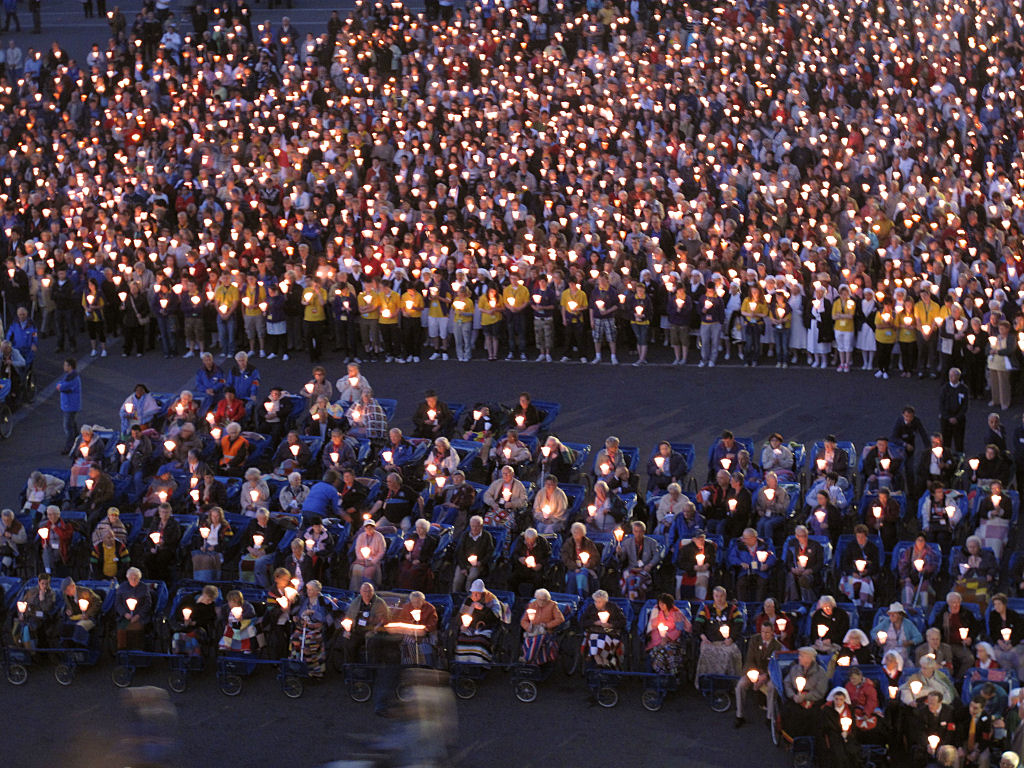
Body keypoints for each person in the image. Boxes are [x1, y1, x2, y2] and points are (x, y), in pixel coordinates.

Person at [734, 621, 782, 729]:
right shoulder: (755, 640)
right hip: (754, 671)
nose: (764, 635)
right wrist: (754, 676)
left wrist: (765, 676)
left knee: (772, 687)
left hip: (768, 674)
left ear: (772, 633)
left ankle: (770, 717)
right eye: (762, 632)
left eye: (767, 633)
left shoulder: (777, 646)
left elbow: (775, 666)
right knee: (740, 685)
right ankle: (739, 715)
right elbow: (749, 660)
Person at [693, 586, 744, 685]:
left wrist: (732, 638)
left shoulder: (733, 609)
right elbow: (698, 624)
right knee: (705, 652)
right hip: (710, 641)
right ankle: (706, 682)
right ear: (713, 596)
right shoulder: (707, 609)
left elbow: (739, 623)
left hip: (727, 642)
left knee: (731, 653)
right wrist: (702, 637)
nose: (719, 599)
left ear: (725, 596)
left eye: (721, 596)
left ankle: (731, 683)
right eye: (717, 596)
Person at [290, 580, 338, 677]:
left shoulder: (323, 601)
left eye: (311, 590)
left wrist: (313, 612)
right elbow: (300, 613)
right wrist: (297, 618)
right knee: (294, 638)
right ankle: (296, 665)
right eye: (308, 589)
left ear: (317, 591)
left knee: (308, 642)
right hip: (305, 626)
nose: (308, 592)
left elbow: (327, 618)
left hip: (318, 628)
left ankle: (314, 670)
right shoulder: (305, 600)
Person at [454, 579, 508, 665]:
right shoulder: (469, 600)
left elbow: (496, 617)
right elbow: (461, 614)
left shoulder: (491, 600)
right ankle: (463, 663)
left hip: (486, 627)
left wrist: (483, 609)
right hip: (470, 627)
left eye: (477, 593)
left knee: (480, 640)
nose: (474, 595)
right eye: (473, 593)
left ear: (482, 593)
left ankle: (479, 663)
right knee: (462, 638)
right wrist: (462, 625)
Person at [781, 646, 829, 740]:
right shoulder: (794, 669)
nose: (799, 658)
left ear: (810, 658)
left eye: (802, 656)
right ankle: (792, 739)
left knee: (814, 715)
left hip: (813, 699)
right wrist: (793, 696)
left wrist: (805, 697)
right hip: (795, 697)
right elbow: (787, 683)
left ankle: (810, 740)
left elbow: (820, 691)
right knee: (790, 711)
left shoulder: (820, 672)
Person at [614, 520, 662, 601]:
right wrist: (619, 553)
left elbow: (657, 556)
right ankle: (629, 601)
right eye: (636, 531)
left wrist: (650, 565)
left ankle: (638, 601)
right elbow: (622, 558)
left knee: (637, 581)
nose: (638, 534)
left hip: (645, 569)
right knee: (628, 578)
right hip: (631, 568)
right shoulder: (627, 542)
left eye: (640, 532)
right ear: (633, 531)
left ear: (644, 532)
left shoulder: (652, 542)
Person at [645, 593, 690, 676]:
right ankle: (666, 677)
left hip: (674, 641)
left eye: (663, 603)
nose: (661, 605)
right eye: (659, 603)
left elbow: (678, 630)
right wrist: (661, 639)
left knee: (664, 652)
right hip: (659, 641)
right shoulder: (658, 613)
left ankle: (669, 677)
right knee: (660, 650)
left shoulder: (676, 613)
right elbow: (654, 628)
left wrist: (667, 638)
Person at [170, 584, 220, 657]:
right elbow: (178, 613)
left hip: (199, 628)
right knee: (177, 636)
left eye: (211, 600)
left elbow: (210, 620)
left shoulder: (210, 606)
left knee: (192, 638)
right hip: (183, 626)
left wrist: (195, 623)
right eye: (209, 599)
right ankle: (178, 658)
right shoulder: (188, 600)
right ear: (204, 595)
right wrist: (184, 620)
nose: (210, 602)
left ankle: (194, 659)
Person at [838, 524, 882, 608]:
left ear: (866, 536)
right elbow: (844, 563)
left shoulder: (872, 547)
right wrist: (852, 572)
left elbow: (876, 565)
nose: (860, 539)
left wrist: (867, 571)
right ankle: (851, 602)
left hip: (867, 576)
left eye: (862, 537)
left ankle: (865, 605)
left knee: (865, 584)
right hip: (853, 574)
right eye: (858, 537)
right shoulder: (851, 546)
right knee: (846, 582)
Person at [728, 527, 776, 602]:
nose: (743, 540)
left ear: (754, 538)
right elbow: (732, 557)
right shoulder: (739, 546)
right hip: (745, 571)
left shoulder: (764, 546)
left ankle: (758, 606)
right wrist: (740, 563)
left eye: (745, 538)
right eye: (743, 538)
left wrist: (767, 564)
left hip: (760, 571)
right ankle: (743, 605)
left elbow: (772, 557)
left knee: (762, 583)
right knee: (741, 583)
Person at [12, 572, 57, 649]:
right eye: (42, 583)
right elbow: (22, 603)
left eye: (46, 584)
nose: (44, 586)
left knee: (30, 628)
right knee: (18, 628)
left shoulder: (51, 594)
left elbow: (47, 609)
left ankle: (31, 649)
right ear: (39, 582)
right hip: (28, 615)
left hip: (41, 618)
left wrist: (42, 599)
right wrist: (21, 613)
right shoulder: (32, 591)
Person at [519, 588, 564, 665]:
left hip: (547, 631)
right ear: (536, 598)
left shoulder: (552, 605)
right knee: (527, 640)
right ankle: (534, 661)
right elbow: (523, 620)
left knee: (538, 639)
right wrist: (527, 627)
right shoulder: (532, 605)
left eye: (544, 600)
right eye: (540, 600)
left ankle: (527, 659)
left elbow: (560, 619)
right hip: (533, 630)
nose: (542, 602)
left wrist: (547, 625)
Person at [820, 687, 861, 768]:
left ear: (844, 699)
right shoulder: (827, 710)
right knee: (838, 755)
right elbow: (826, 725)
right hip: (834, 736)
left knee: (853, 752)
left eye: (841, 699)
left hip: (848, 736)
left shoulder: (849, 709)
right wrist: (839, 731)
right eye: (836, 699)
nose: (838, 702)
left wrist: (848, 733)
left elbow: (853, 725)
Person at [874, 601, 925, 666]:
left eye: (894, 614)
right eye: (890, 614)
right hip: (888, 657)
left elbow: (919, 637)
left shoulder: (908, 624)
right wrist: (878, 640)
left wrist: (909, 642)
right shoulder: (886, 622)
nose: (891, 616)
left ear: (900, 615)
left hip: (903, 658)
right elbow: (873, 632)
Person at [783, 525, 825, 603]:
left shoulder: (815, 545)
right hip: (797, 571)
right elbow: (788, 561)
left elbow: (820, 563)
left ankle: (808, 602)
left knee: (804, 579)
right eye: (801, 536)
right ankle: (794, 601)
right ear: (797, 536)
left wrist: (810, 570)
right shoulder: (792, 545)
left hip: (811, 573)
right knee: (790, 576)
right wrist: (793, 569)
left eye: (805, 535)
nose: (804, 538)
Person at [452, 516, 494, 593]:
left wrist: (481, 562)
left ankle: (470, 596)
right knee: (457, 579)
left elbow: (490, 552)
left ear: (481, 526)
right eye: (472, 526)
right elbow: (460, 552)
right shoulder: (465, 535)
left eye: (477, 527)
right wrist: (462, 567)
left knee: (471, 577)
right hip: (464, 562)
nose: (474, 529)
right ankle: (455, 596)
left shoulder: (486, 536)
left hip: (478, 563)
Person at [115, 567, 153, 651]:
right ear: (127, 577)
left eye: (136, 577)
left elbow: (148, 604)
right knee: (121, 629)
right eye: (131, 577)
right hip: (125, 616)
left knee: (136, 628)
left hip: (140, 616)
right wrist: (125, 614)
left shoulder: (144, 588)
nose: (133, 579)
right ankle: (122, 651)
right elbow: (117, 603)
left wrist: (138, 615)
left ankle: (136, 650)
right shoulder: (122, 587)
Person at [396, 518, 437, 591]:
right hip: (410, 559)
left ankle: (413, 590)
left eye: (421, 528)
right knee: (403, 570)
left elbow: (430, 554)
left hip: (421, 562)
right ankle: (402, 590)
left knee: (413, 572)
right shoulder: (412, 537)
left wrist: (420, 560)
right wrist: (406, 555)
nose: (418, 530)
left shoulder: (431, 541)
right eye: (417, 528)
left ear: (425, 529)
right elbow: (404, 549)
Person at [508, 528, 551, 598]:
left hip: (536, 569)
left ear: (536, 538)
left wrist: (541, 564)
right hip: (522, 568)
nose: (530, 544)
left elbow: (547, 556)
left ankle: (533, 597)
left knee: (539, 579)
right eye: (528, 542)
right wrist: (519, 559)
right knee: (512, 577)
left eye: (532, 542)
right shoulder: (520, 541)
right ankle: (516, 596)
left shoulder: (542, 542)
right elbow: (514, 554)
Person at [349, 519, 387, 592]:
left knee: (369, 572)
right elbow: (357, 549)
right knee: (356, 568)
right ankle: (355, 590)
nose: (369, 529)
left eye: (371, 528)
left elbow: (382, 551)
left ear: (374, 528)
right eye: (367, 528)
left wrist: (372, 561)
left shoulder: (379, 537)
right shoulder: (361, 536)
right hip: (362, 560)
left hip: (374, 560)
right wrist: (361, 559)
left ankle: (369, 590)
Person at [939, 367, 970, 452]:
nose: (952, 378)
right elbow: (941, 405)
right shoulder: (944, 389)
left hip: (959, 421)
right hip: (946, 420)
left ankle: (959, 461)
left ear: (958, 377)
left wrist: (957, 417)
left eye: (954, 376)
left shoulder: (964, 389)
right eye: (951, 376)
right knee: (946, 443)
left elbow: (965, 406)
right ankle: (946, 460)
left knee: (959, 442)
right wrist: (948, 417)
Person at [219, 590, 258, 654]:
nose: (229, 603)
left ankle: (247, 648)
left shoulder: (247, 606)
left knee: (247, 631)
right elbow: (224, 618)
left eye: (231, 601)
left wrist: (242, 618)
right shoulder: (226, 608)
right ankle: (226, 645)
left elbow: (251, 615)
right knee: (228, 630)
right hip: (232, 625)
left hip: (245, 625)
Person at [56, 358, 81, 454]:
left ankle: (70, 446)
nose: (64, 367)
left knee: (68, 426)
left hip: (70, 405)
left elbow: (62, 386)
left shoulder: (72, 378)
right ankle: (77, 441)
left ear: (70, 366)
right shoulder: (70, 376)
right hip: (70, 405)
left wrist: (60, 386)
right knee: (72, 424)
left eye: (65, 365)